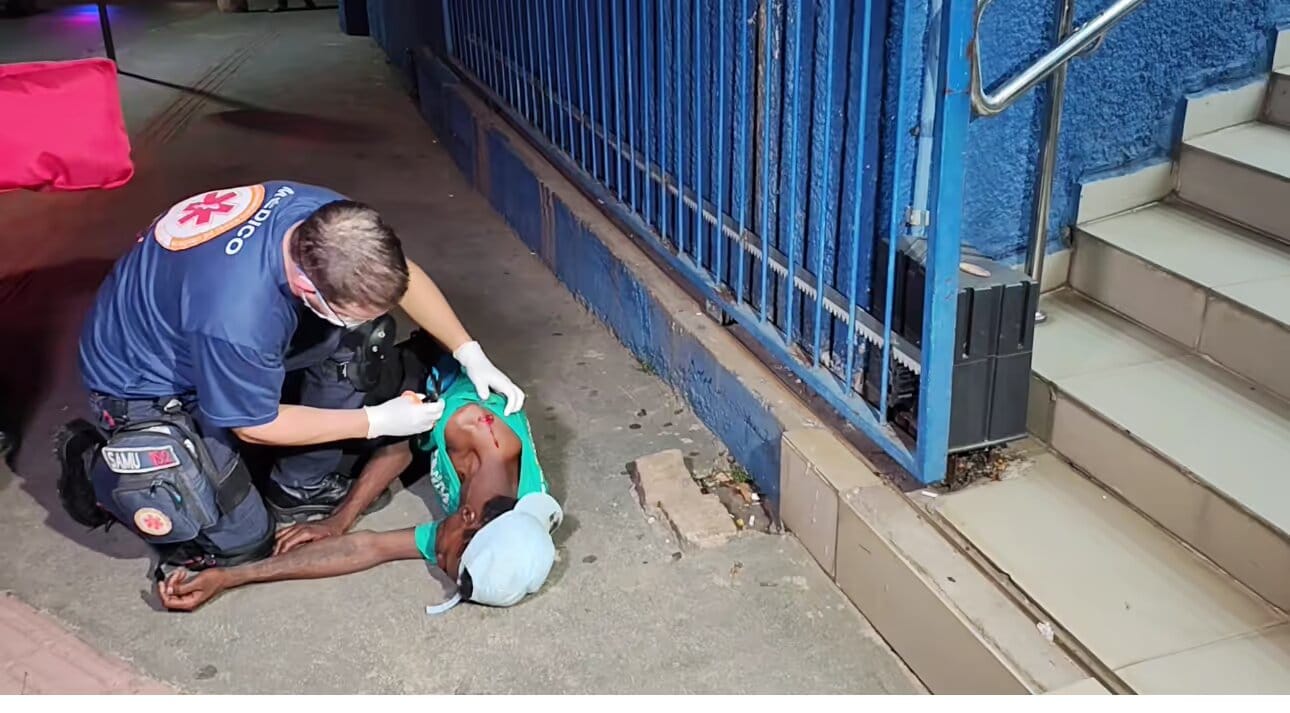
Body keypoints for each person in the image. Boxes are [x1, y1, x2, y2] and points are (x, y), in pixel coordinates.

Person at [64, 181, 524, 573]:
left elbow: (402, 278)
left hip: (210, 329)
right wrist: (377, 422)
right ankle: (97, 468)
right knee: (240, 545)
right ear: (308, 288)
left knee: (363, 336)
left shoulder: (329, 224)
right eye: (342, 308)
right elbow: (254, 425)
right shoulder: (237, 317)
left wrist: (469, 351)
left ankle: (298, 486)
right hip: (146, 382)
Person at [158, 491, 562, 613]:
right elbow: (398, 446)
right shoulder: (477, 430)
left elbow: (366, 547)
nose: (432, 559)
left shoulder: (476, 532)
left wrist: (231, 576)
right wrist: (341, 516)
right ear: (472, 518)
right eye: (444, 558)